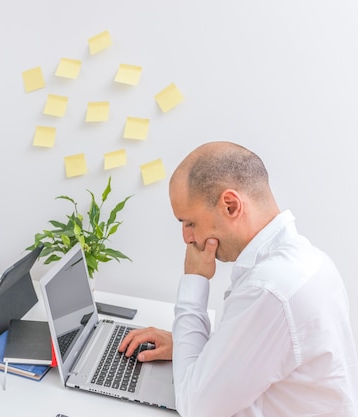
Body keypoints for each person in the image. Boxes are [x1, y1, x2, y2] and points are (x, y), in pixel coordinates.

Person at [119, 141, 358, 416]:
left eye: (189, 223)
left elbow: (195, 407)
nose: (187, 238)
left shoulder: (270, 288)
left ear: (231, 206)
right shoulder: (309, 259)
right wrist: (197, 349)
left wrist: (194, 279)